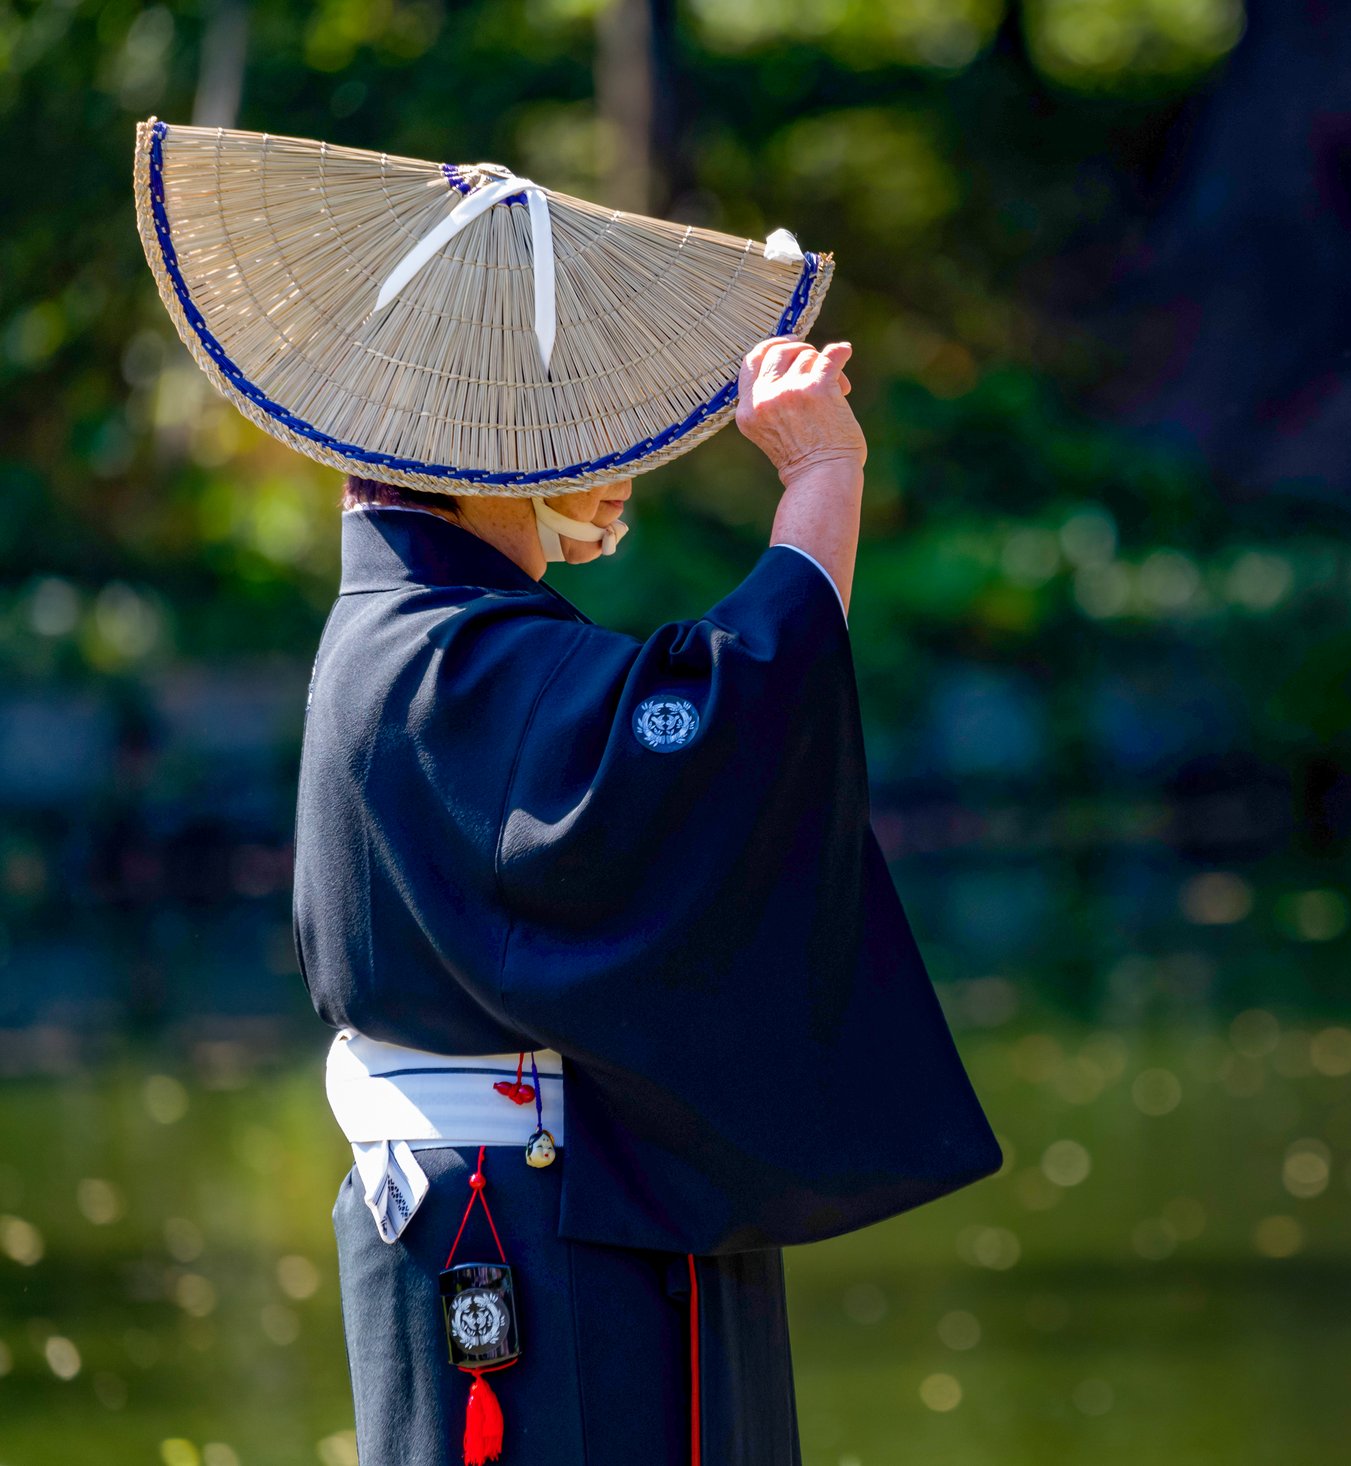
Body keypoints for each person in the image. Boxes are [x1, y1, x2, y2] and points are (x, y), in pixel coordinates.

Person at [295, 334, 1003, 1465]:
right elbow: (724, 734)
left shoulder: (405, 631)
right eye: (578, 428)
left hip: (493, 1205)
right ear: (486, 448)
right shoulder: (451, 654)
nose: (616, 460)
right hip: (533, 1224)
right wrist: (821, 477)